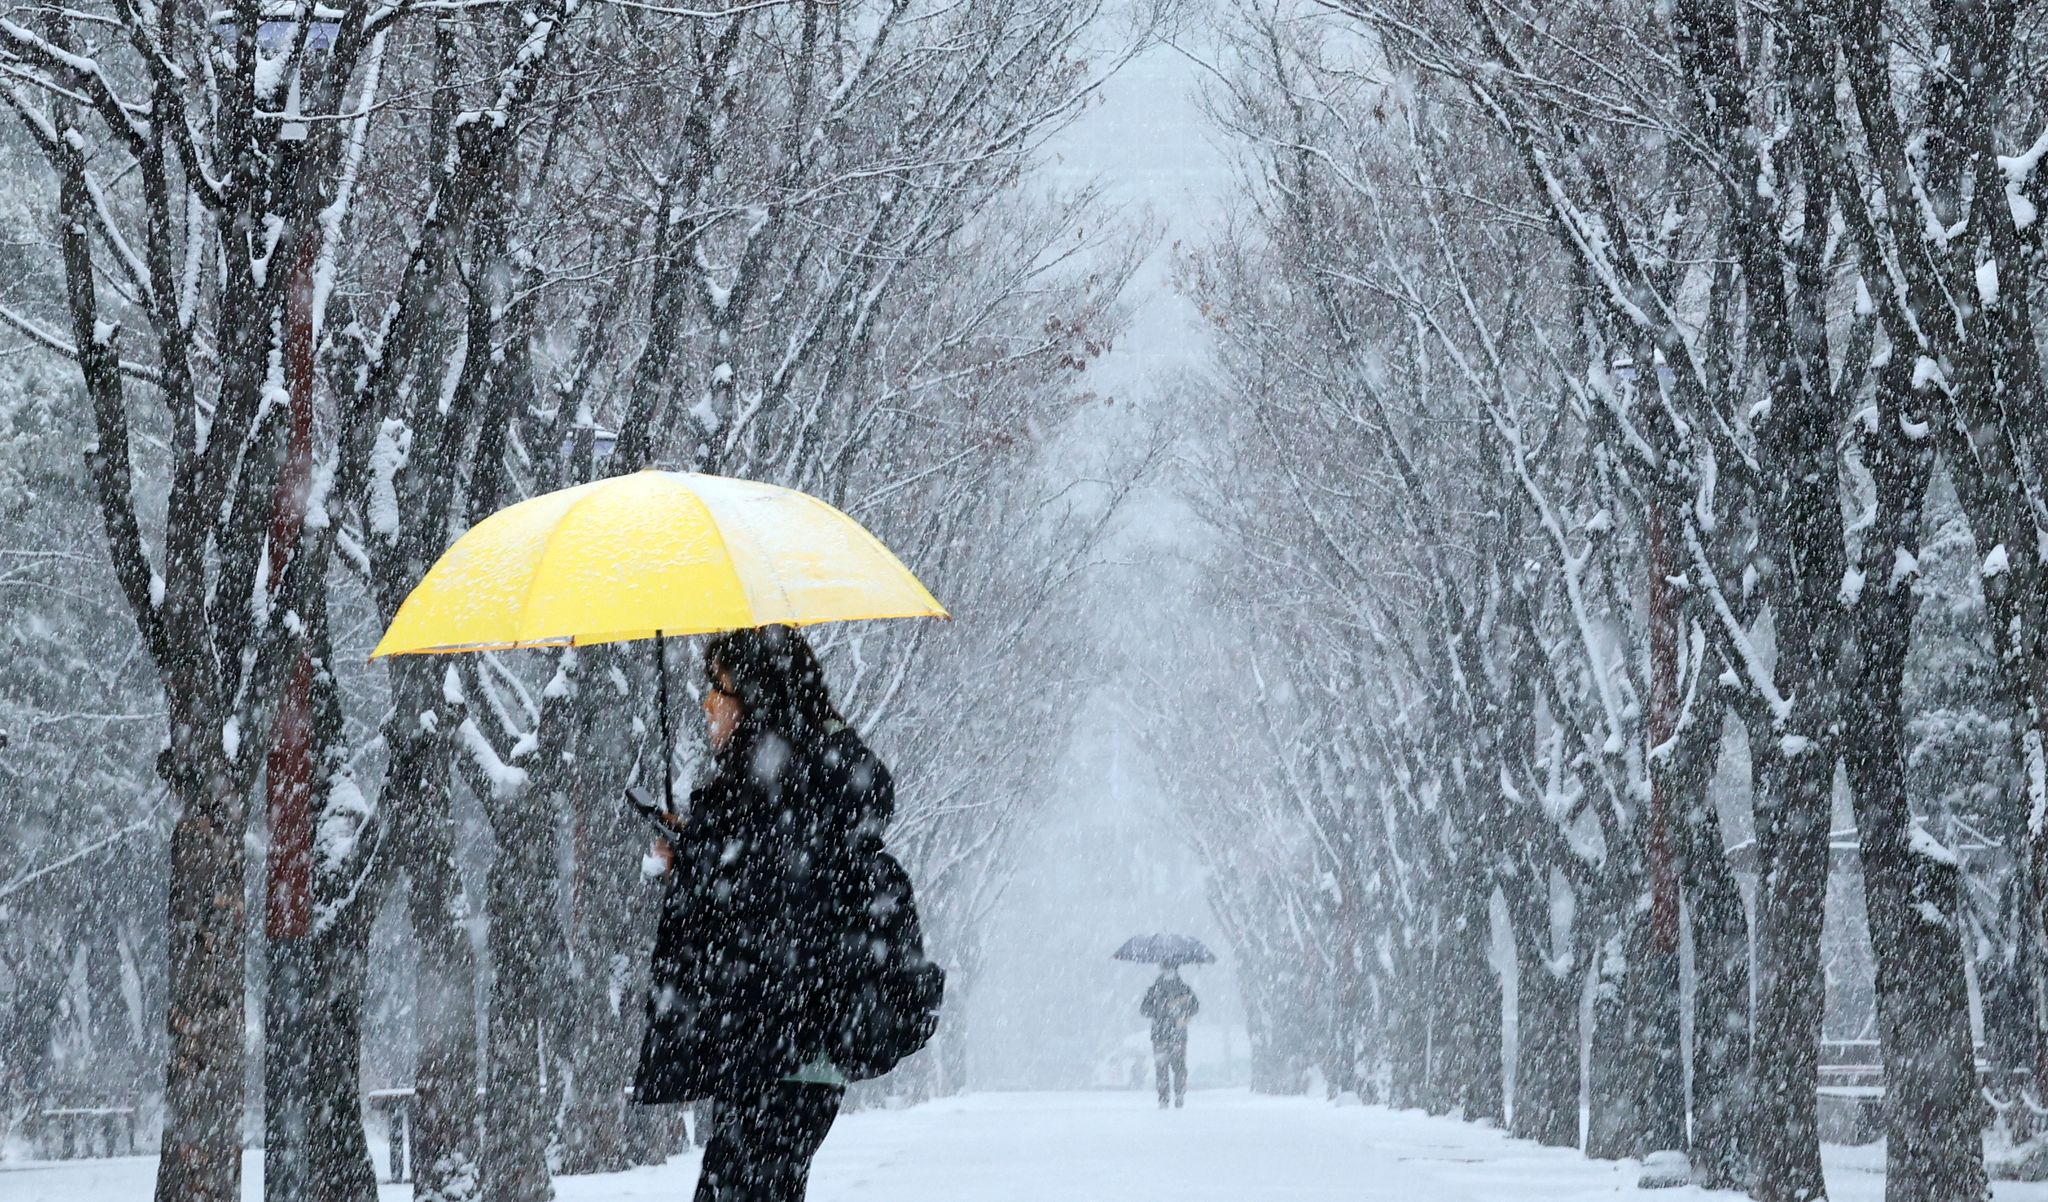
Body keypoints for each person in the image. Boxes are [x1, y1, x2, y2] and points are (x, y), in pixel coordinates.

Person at [634, 625, 892, 1202]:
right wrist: (699, 851)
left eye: (719, 688)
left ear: (757, 697)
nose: (708, 703)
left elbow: (771, 912)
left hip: (776, 1052)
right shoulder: (797, 783)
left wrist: (701, 859)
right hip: (790, 1057)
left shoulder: (778, 786)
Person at [1141, 964, 1199, 1108]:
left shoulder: (1155, 989)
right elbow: (1194, 1007)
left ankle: (1167, 1097)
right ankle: (1173, 1095)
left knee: (1166, 1067)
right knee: (1174, 1067)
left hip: (1163, 1035)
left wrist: (1159, 1012)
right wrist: (1179, 1012)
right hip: (1174, 1034)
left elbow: (1144, 1009)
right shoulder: (1182, 989)